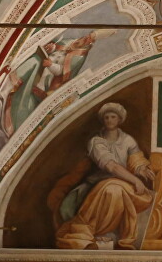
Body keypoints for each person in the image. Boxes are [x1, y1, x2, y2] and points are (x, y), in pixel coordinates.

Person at [53, 101, 156, 250]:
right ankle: (100, 231)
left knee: (119, 189)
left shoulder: (127, 140)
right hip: (98, 183)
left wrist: (141, 168)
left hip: (124, 182)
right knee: (112, 190)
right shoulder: (96, 142)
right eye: (106, 117)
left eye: (113, 117)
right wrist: (135, 180)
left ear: (119, 119)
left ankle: (113, 231)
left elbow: (135, 159)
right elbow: (111, 166)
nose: (109, 120)